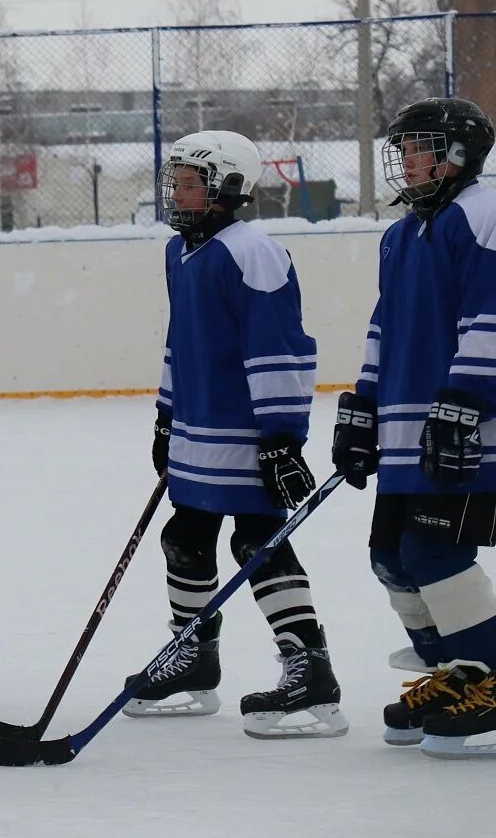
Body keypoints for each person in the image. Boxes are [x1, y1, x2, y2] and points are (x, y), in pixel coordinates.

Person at [129, 130, 346, 739]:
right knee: (185, 536)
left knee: (257, 542)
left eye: (190, 181)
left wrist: (282, 436)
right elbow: (181, 341)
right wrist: (167, 415)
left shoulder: (253, 251)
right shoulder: (180, 252)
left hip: (247, 433)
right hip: (198, 430)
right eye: (175, 181)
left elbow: (280, 348)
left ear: (227, 186)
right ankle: (193, 659)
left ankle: (311, 669)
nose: (178, 191)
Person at [333, 97, 496, 758]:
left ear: (458, 154)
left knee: (436, 553)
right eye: (402, 147)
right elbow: (385, 327)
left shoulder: (483, 215)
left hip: (466, 426)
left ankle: (489, 679)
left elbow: (490, 316)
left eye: (419, 146)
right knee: (392, 559)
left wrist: (464, 399)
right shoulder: (401, 234)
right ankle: (457, 674)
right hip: (409, 427)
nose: (406, 159)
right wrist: (363, 407)